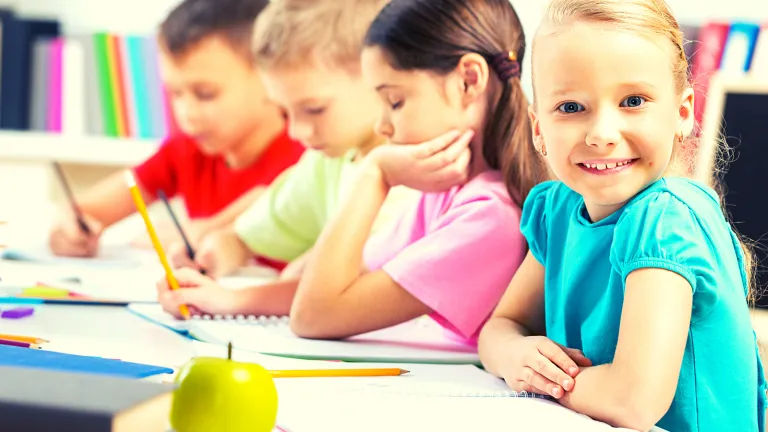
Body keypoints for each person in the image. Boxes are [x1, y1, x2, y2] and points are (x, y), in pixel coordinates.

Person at [477, 0, 767, 430]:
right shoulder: (556, 209)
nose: (601, 135)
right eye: (571, 107)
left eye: (633, 100)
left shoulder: (665, 221)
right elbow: (501, 327)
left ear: (682, 113)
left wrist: (544, 383)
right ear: (540, 129)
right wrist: (515, 355)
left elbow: (634, 402)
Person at [284, 0, 548, 341]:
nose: (382, 125)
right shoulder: (451, 192)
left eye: (395, 101)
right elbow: (347, 277)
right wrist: (230, 299)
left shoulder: (490, 217)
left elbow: (313, 316)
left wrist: (376, 174)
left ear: (469, 80)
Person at [157, 0, 420, 316]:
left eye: (313, 109)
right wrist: (211, 257)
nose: (295, 131)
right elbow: (243, 238)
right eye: (284, 110)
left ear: (379, 76)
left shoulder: (412, 168)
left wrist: (234, 300)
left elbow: (351, 287)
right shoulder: (328, 161)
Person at [48, 0, 303, 258]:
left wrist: (198, 232)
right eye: (175, 93)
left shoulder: (310, 152)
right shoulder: (186, 149)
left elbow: (260, 206)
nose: (186, 113)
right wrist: (70, 227)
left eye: (205, 94)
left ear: (272, 77)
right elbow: (92, 208)